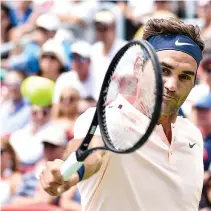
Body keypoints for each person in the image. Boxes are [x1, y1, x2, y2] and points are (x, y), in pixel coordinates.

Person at [39, 18, 205, 211]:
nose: (171, 85)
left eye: (185, 76)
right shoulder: (110, 121)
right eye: (163, 70)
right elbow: (93, 150)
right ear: (138, 67)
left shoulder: (192, 137)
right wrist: (72, 172)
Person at [0, 70, 31, 137]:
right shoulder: (3, 107)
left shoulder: (31, 108)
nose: (13, 88)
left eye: (17, 84)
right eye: (9, 84)